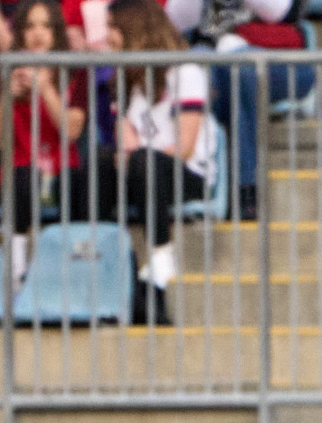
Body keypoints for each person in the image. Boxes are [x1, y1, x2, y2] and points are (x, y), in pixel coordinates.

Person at [95, 0, 220, 325]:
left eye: (112, 27)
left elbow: (184, 148)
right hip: (144, 169)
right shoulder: (125, 82)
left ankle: (161, 262)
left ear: (135, 31)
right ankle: (104, 272)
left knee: (143, 162)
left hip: (187, 174)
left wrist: (135, 155)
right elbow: (125, 144)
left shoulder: (186, 73)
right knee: (98, 162)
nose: (106, 36)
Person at [162, 0, 315, 222]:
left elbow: (287, 13)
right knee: (200, 64)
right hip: (217, 65)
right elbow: (170, 22)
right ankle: (206, 184)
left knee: (240, 67)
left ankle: (246, 185)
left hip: (277, 62)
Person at [0, 0, 89, 289]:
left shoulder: (73, 72)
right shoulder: (8, 69)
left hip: (60, 172)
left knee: (80, 180)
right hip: (20, 172)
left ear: (57, 32)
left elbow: (72, 130)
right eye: (30, 26)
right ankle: (16, 267)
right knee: (21, 176)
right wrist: (7, 96)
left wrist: (45, 89)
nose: (38, 33)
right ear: (20, 33)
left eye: (46, 26)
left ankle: (76, 270)